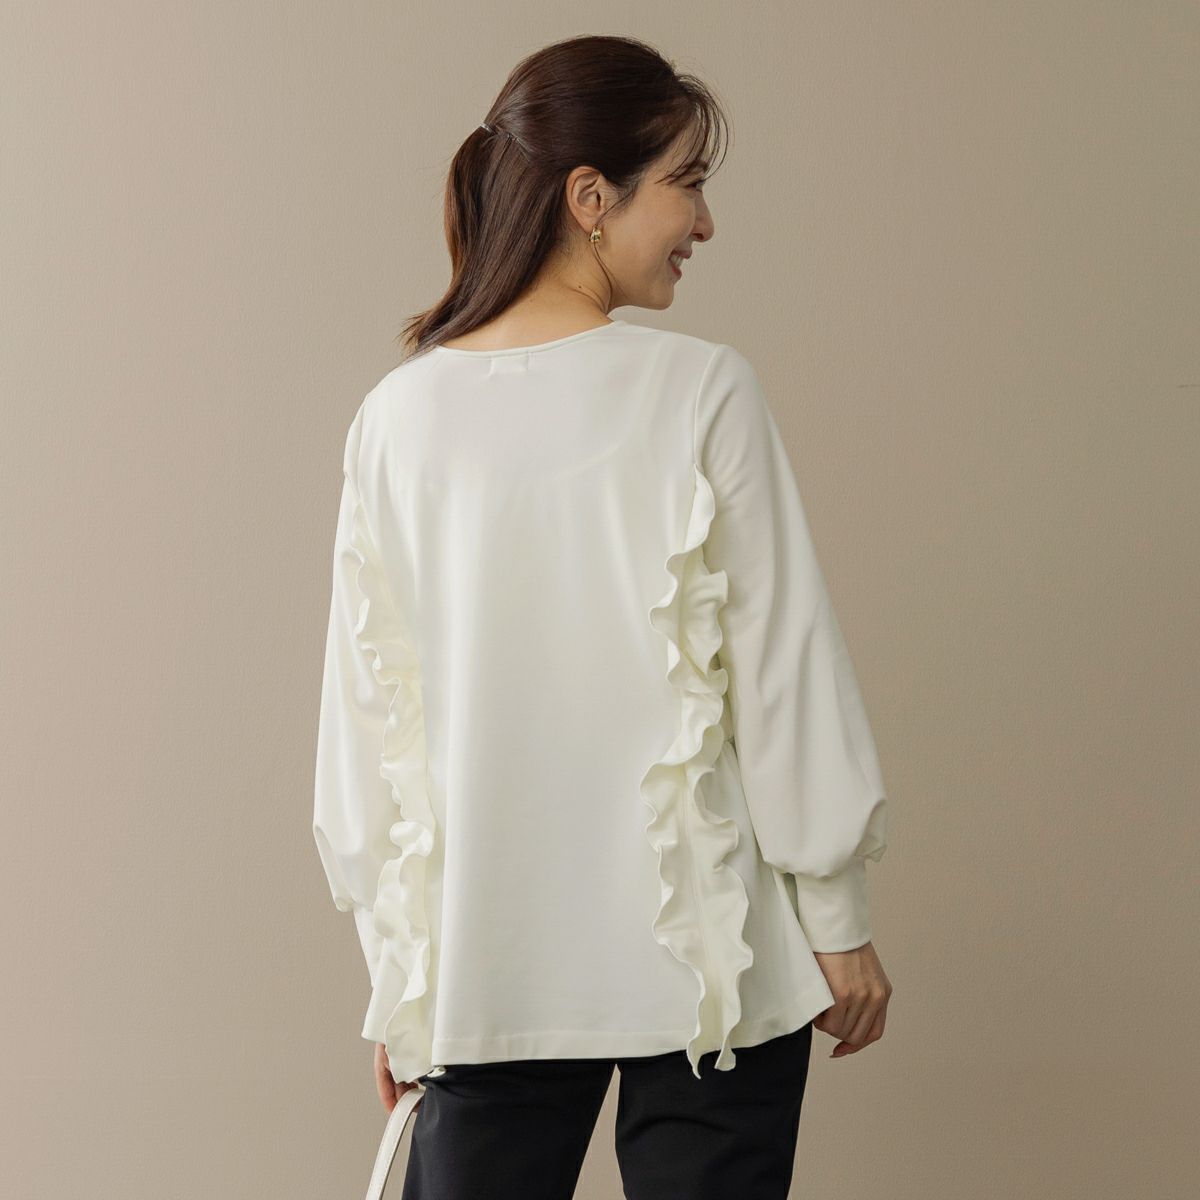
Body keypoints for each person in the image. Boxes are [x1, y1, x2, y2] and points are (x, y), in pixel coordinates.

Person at [312, 32, 893, 1200]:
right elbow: (779, 667)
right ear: (591, 196)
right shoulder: (703, 389)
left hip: (489, 969)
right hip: (716, 969)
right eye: (687, 183)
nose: (704, 223)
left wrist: (404, 978)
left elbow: (369, 731)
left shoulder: (396, 416)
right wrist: (837, 915)